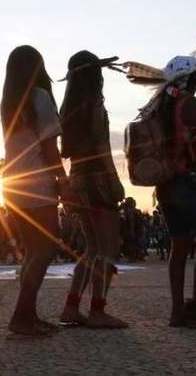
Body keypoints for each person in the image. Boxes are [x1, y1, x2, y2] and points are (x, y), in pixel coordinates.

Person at [127, 53, 196, 328]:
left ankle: (177, 311)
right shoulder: (190, 104)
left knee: (179, 245)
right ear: (190, 78)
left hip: (165, 186)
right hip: (188, 182)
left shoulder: (158, 106)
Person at [56, 50, 128, 329]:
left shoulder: (68, 107)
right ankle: (97, 309)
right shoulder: (94, 103)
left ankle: (72, 305)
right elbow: (101, 144)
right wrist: (114, 179)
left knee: (92, 248)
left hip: (78, 177)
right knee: (107, 248)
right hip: (98, 177)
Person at [0, 45, 69, 336]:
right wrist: (63, 180)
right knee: (45, 247)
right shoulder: (39, 97)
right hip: (37, 180)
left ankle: (27, 313)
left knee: (33, 250)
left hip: (12, 183)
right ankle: (22, 314)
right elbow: (49, 146)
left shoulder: (9, 103)